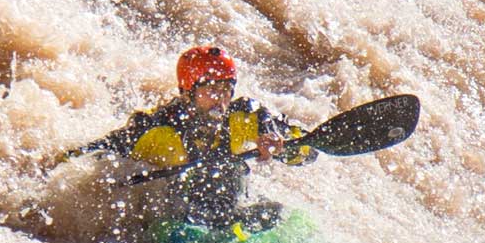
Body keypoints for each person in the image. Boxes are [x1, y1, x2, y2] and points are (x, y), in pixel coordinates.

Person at [68, 45, 317, 226]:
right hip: (181, 225)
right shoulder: (157, 130)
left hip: (233, 213)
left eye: (226, 89)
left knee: (289, 218)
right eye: (211, 89)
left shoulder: (245, 117)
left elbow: (309, 151)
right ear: (187, 92)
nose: (220, 99)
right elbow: (90, 155)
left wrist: (284, 147)